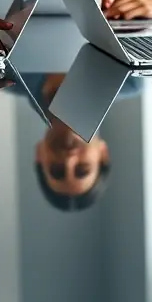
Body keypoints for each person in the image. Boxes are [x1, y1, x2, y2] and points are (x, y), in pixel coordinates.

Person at [31, 73, 111, 211]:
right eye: (83, 168)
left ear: (39, 155)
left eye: (57, 169)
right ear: (103, 153)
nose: (69, 159)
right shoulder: (134, 77)